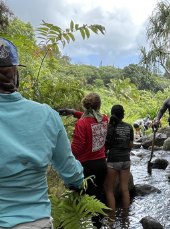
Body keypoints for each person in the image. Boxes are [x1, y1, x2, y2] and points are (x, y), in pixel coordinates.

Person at [0, 35, 84, 228]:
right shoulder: (47, 115)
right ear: (15, 70)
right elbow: (72, 173)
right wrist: (78, 179)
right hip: (37, 223)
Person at [69, 92, 108, 229]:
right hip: (102, 164)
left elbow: (76, 149)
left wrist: (66, 147)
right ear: (99, 105)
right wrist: (74, 112)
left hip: (85, 166)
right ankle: (97, 226)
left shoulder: (81, 124)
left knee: (80, 201)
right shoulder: (104, 119)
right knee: (96, 199)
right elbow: (91, 118)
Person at [104, 105, 133, 220]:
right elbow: (130, 145)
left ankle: (112, 218)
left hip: (113, 161)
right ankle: (125, 217)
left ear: (112, 114)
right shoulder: (129, 126)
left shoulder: (109, 127)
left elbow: (106, 147)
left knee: (109, 190)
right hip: (126, 160)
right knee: (125, 189)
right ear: (123, 115)